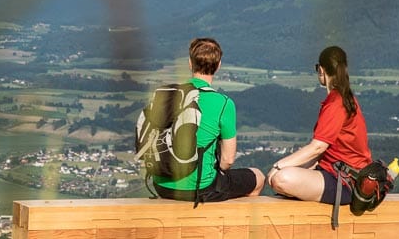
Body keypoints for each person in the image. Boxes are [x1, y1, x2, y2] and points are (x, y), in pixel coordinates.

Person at [153, 37, 265, 202]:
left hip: (162, 185)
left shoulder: (168, 96)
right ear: (218, 65)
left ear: (190, 63)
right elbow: (227, 160)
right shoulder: (223, 103)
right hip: (200, 188)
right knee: (258, 177)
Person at [266, 45, 372, 204]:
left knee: (281, 179)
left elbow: (317, 147)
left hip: (343, 182)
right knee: (285, 176)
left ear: (321, 70)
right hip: (345, 175)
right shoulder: (345, 99)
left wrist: (279, 166)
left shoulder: (336, 103)